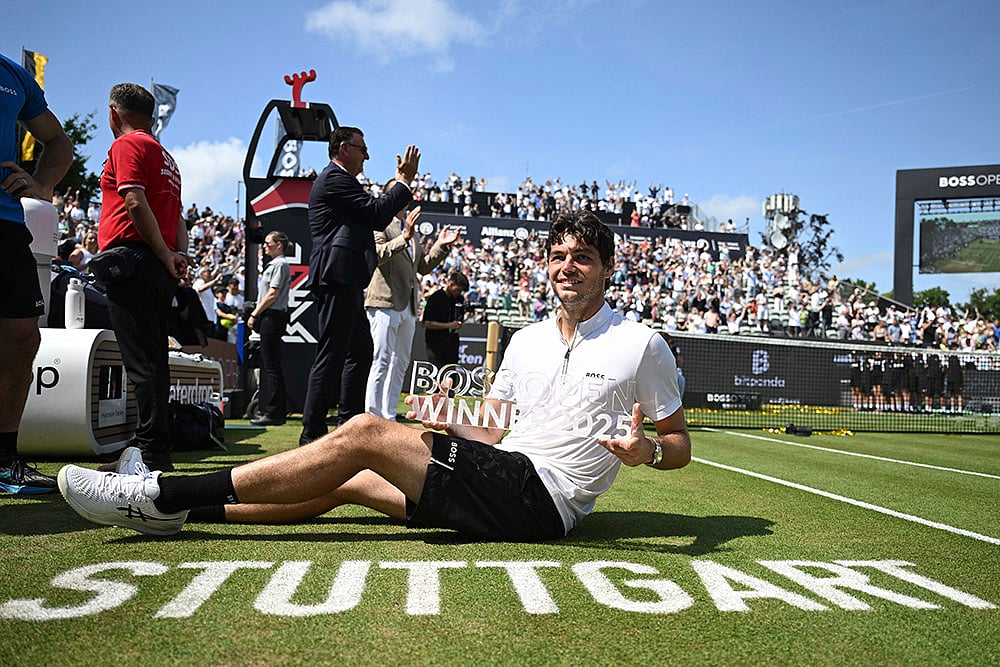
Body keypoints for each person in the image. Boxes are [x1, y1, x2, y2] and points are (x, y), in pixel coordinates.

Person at [56, 210, 691, 541]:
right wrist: (445, 415)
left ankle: (159, 493)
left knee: (363, 430)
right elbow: (493, 431)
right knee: (351, 481)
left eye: (583, 257)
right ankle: (183, 514)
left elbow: (678, 442)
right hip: (502, 476)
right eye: (558, 256)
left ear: (609, 268)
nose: (567, 267)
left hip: (547, 500)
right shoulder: (526, 341)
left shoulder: (641, 344)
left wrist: (650, 453)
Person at [299, 126, 420, 445]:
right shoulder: (334, 179)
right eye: (362, 149)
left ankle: (349, 426)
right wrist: (403, 181)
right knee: (332, 354)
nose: (367, 156)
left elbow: (374, 215)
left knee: (361, 352)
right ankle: (312, 434)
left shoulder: (345, 182)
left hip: (349, 279)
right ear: (343, 148)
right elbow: (377, 214)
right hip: (336, 276)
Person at [96, 83, 188, 472]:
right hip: (156, 264)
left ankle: (151, 454)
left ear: (113, 113)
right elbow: (178, 216)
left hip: (134, 260)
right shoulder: (166, 156)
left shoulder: (126, 145)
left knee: (142, 364)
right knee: (153, 361)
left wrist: (167, 254)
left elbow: (134, 200)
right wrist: (176, 255)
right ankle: (152, 448)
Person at [0, 52, 73, 494]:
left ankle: (4, 461)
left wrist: (42, 186)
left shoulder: (13, 74)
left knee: (22, 340)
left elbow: (58, 141)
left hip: (7, 225)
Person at [364, 198, 458, 420]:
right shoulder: (380, 224)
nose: (404, 203)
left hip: (408, 304)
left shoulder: (410, 231)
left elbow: (422, 266)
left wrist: (440, 245)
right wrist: (405, 237)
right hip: (385, 300)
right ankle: (372, 415)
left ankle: (388, 415)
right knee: (381, 359)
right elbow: (377, 255)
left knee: (401, 362)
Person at [247, 230, 292, 426]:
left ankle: (274, 412)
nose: (265, 246)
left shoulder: (280, 265)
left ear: (278, 245)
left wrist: (254, 313)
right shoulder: (275, 265)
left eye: (268, 243)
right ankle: (275, 411)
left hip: (272, 317)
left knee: (271, 366)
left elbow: (273, 293)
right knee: (270, 365)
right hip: (271, 316)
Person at [422, 271, 470, 367]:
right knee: (437, 372)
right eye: (458, 290)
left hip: (452, 343)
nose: (459, 293)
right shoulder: (436, 298)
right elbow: (427, 323)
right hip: (435, 344)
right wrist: (449, 325)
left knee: (451, 372)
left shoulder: (459, 299)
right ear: (451, 284)